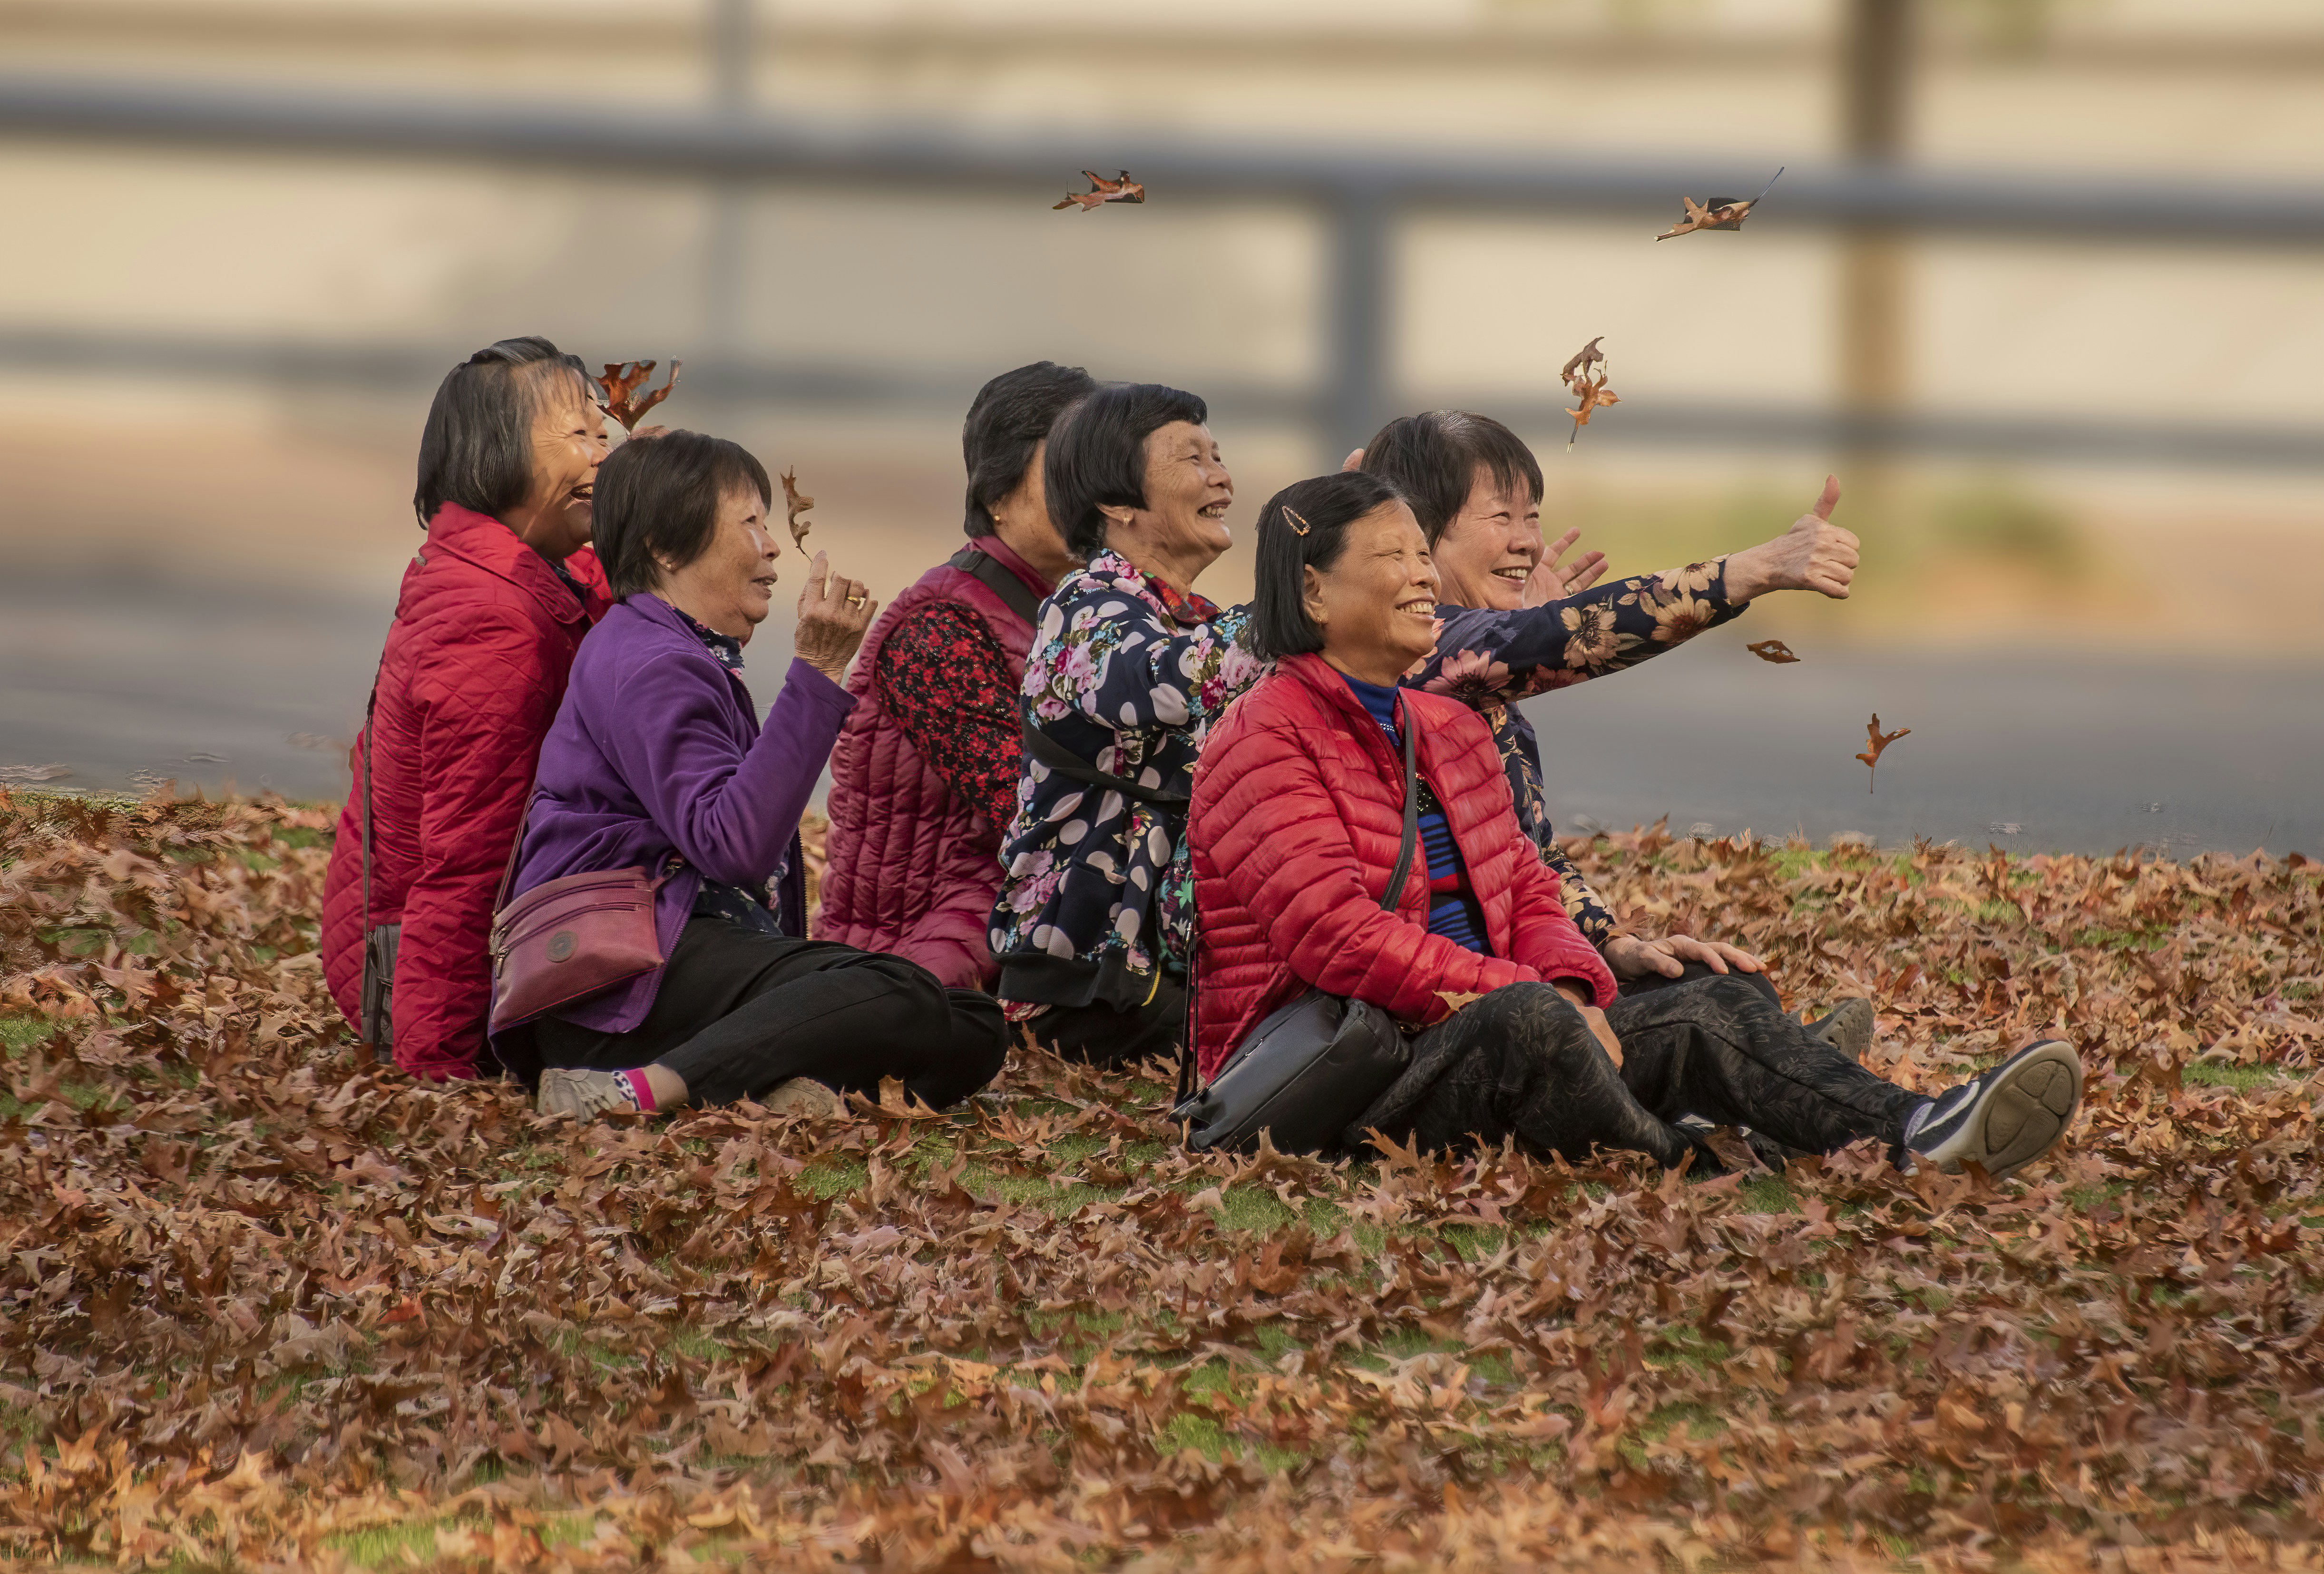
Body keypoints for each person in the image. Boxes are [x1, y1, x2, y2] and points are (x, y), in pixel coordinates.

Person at [1187, 472, 2083, 1178]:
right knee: (1532, 1022)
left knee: (1711, 998)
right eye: (1395, 556)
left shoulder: (1451, 727)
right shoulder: (1262, 735)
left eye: (1425, 554)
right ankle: (1691, 1154)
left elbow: (1526, 885)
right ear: (1311, 591)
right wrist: (1531, 995)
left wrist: (1579, 981)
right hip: (1348, 1081)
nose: (1425, 576)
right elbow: (1338, 941)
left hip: (1483, 1032)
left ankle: (1920, 1128)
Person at [499, 430, 1007, 1119]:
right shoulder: (650, 660)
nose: (772, 547)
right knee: (902, 993)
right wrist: (819, 674)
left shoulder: (670, 646)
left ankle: (772, 1085)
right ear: (664, 545)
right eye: (750, 523)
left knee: (973, 1022)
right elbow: (733, 845)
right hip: (613, 983)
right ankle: (646, 1090)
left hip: (671, 960)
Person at [1357, 410, 1874, 1051]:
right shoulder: (1411, 645)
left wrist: (1609, 941)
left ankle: (1778, 1075)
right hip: (1452, 997)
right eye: (1500, 518)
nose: (1525, 542)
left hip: (1523, 958)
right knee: (1705, 1012)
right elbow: (1569, 637)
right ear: (1418, 533)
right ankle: (1788, 1080)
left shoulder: (1478, 675)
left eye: (1532, 516)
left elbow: (1525, 857)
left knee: (1717, 981)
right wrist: (1754, 570)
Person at [320, 335, 613, 1082]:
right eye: (578, 436)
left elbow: (593, 596)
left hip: (450, 952)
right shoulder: (490, 623)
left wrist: (658, 518)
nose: (603, 454)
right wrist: (441, 1072)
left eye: (603, 432)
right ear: (497, 458)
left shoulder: (512, 563)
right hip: (410, 981)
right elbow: (466, 865)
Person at [987, 381, 1260, 1066]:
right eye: (1192, 458)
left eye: (1218, 455)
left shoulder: (1197, 617)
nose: (1221, 476)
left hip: (1170, 969)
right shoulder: (1083, 608)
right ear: (1116, 501)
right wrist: (1315, 581)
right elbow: (1165, 681)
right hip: (1087, 986)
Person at [820, 361, 1096, 988]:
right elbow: (1035, 816)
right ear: (997, 493)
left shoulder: (1077, 610)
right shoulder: (939, 628)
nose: (1096, 488)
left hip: (1010, 933)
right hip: (914, 961)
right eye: (1070, 465)